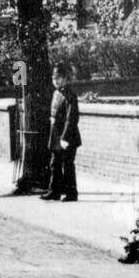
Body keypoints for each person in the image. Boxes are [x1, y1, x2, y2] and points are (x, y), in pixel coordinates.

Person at [42, 65, 81, 202]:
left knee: (68, 164)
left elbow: (71, 118)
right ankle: (54, 191)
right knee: (54, 164)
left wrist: (64, 137)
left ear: (65, 79)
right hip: (56, 134)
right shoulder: (56, 93)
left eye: (58, 78)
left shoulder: (70, 95)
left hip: (67, 136)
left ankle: (71, 193)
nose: (56, 81)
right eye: (54, 78)